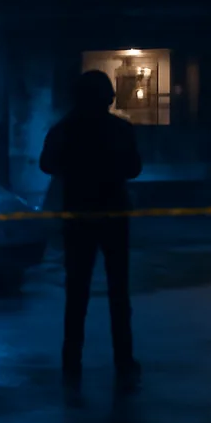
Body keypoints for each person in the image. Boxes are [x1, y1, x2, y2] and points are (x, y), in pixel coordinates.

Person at [40, 69, 143, 386]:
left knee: (77, 291)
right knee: (118, 291)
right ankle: (123, 359)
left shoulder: (65, 129)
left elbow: (46, 164)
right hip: (113, 215)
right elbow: (134, 168)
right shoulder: (120, 129)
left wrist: (75, 170)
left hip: (79, 215)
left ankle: (72, 359)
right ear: (108, 98)